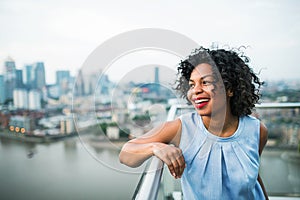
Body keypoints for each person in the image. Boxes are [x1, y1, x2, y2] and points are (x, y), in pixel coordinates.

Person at [119, 46, 268, 199]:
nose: (195, 91)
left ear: (229, 89)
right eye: (192, 84)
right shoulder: (182, 128)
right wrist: (155, 147)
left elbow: (254, 178)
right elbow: (125, 154)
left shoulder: (257, 130)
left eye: (205, 82)